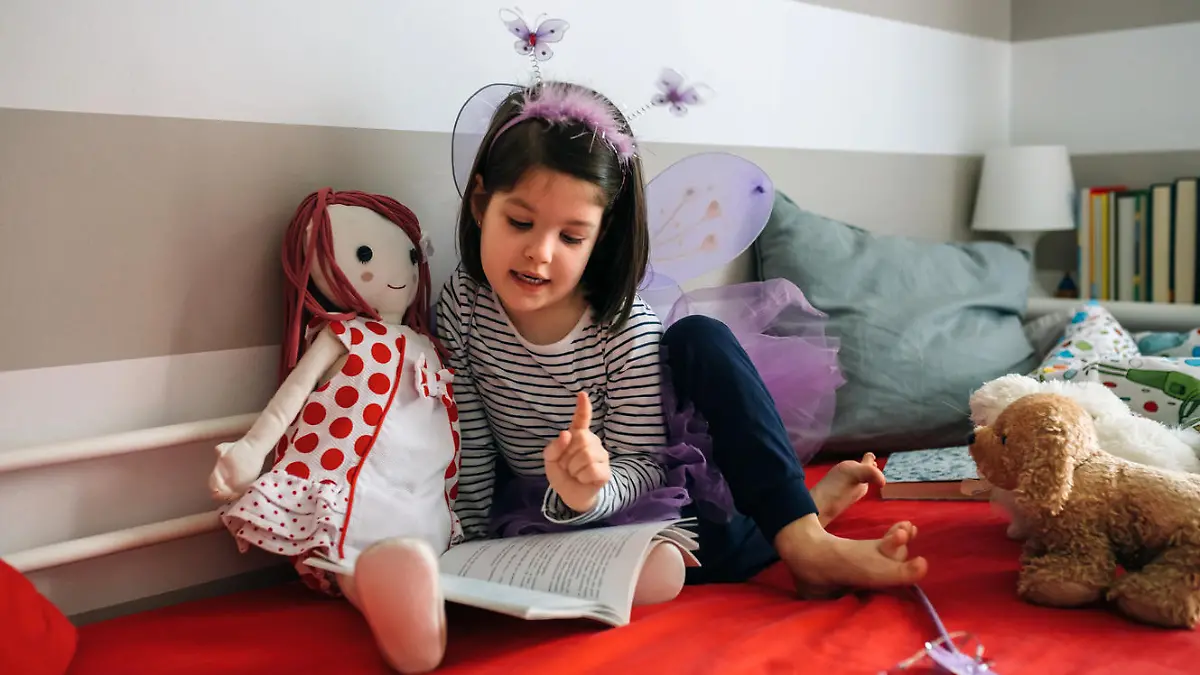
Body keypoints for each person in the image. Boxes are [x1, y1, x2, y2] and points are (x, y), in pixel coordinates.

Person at [435, 80, 928, 598]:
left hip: (639, 492)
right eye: (519, 222)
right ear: (480, 204)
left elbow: (647, 467)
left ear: (599, 239)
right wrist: (461, 543)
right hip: (542, 508)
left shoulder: (623, 331)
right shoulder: (462, 306)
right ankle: (808, 507)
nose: (539, 252)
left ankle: (802, 536)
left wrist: (591, 491)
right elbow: (468, 447)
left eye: (571, 237)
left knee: (701, 340)